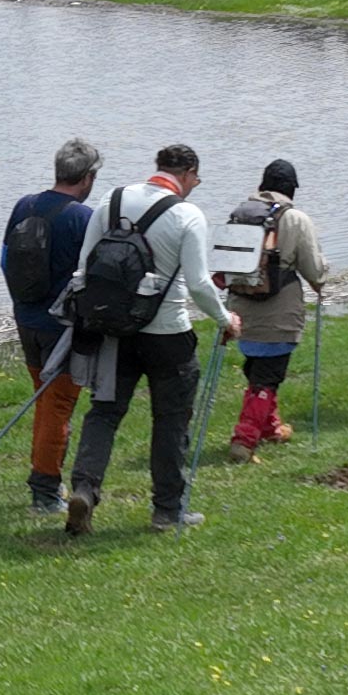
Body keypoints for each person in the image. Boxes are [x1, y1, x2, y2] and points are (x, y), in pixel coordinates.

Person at [62, 144, 228, 534]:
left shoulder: (112, 200)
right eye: (196, 181)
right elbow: (200, 285)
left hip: (115, 330)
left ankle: (84, 489)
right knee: (170, 420)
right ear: (187, 175)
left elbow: (86, 265)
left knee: (104, 412)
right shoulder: (188, 214)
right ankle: (167, 511)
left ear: (158, 168)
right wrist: (225, 318)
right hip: (167, 333)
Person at [0, 141, 103, 516]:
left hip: (25, 319)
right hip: (61, 329)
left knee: (44, 402)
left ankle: (46, 480)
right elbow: (96, 275)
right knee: (58, 405)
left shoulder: (24, 205)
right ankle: (44, 492)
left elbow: (5, 259)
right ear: (88, 177)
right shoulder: (84, 218)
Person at [214, 157, 333, 451]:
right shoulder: (295, 219)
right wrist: (321, 282)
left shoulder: (240, 213)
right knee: (266, 379)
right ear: (292, 189)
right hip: (279, 314)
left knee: (257, 370)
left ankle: (271, 427)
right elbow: (315, 271)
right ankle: (244, 438)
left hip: (240, 310)